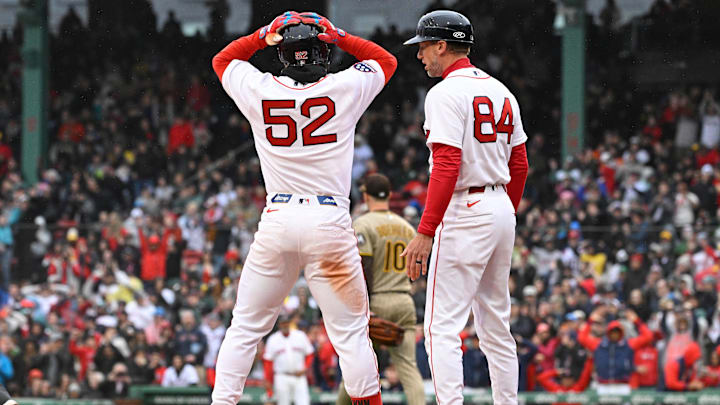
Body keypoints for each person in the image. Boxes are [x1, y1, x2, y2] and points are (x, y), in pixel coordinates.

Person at [210, 10, 397, 405]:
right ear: (322, 52)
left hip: (278, 218)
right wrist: (339, 34)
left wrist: (264, 34)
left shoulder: (261, 89)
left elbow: (223, 60)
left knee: (244, 328)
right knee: (350, 335)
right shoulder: (344, 87)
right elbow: (386, 60)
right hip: (328, 220)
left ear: (283, 55)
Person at [401, 9, 529, 405]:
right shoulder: (502, 90)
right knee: (496, 325)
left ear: (441, 45)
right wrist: (503, 212)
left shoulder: (444, 93)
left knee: (441, 327)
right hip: (500, 206)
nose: (420, 55)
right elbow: (520, 163)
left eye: (423, 47)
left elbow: (447, 164)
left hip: (465, 206)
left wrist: (425, 231)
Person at [336, 174, 425, 405]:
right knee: (409, 369)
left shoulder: (364, 223)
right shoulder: (406, 227)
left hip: (377, 301)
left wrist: (362, 308)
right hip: (404, 299)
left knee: (358, 367)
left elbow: (363, 269)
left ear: (366, 195)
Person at [263, 314, 314, 405]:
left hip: (299, 376)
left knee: (304, 402)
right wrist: (269, 381)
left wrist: (305, 368)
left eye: (286, 323)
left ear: (290, 323)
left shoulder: (300, 335)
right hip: (282, 376)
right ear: (279, 324)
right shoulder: (273, 339)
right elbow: (268, 363)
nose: (285, 325)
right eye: (282, 323)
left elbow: (310, 354)